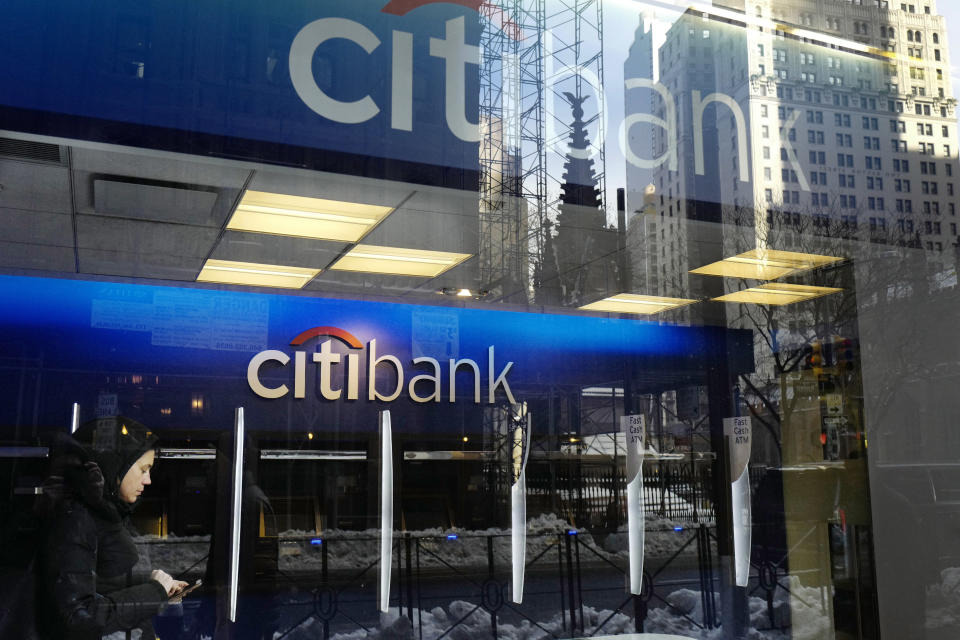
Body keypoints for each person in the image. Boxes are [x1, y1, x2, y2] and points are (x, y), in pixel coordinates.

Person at [35, 416, 188, 640]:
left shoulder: (108, 513)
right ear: (117, 466)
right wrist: (153, 593)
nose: (148, 481)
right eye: (144, 469)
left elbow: (107, 586)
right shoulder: (75, 519)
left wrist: (161, 590)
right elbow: (77, 618)